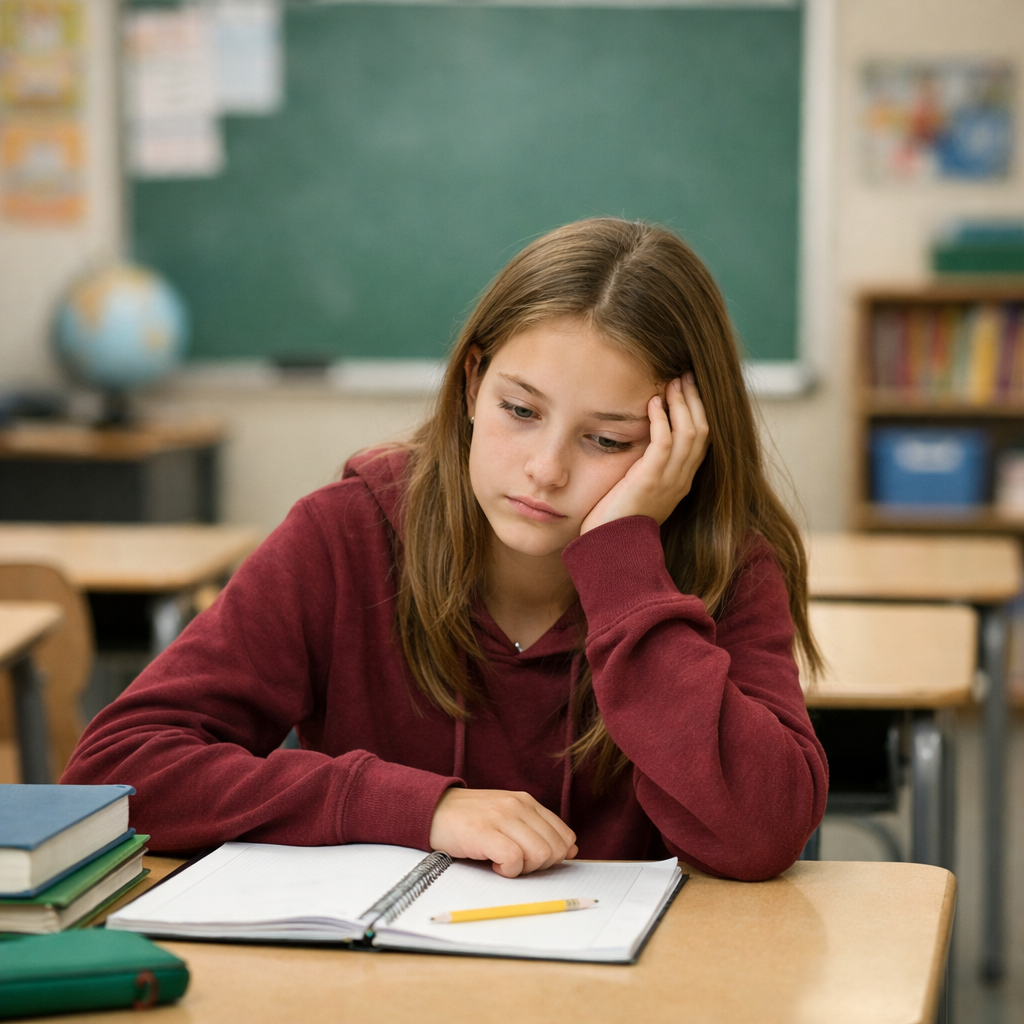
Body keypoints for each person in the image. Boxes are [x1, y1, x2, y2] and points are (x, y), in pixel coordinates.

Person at [63, 219, 828, 882]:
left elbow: (762, 834)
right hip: (385, 976)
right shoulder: (347, 534)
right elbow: (113, 774)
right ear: (472, 384)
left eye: (606, 440)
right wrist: (418, 808)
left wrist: (627, 568)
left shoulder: (724, 565)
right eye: (519, 410)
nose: (546, 469)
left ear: (679, 445)